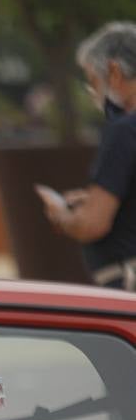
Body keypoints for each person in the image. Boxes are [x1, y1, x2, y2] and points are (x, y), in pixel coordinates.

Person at [41, 21, 136, 289]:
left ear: (114, 71)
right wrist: (94, 198)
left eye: (93, 79)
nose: (93, 91)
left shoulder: (124, 131)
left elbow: (92, 225)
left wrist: (62, 215)